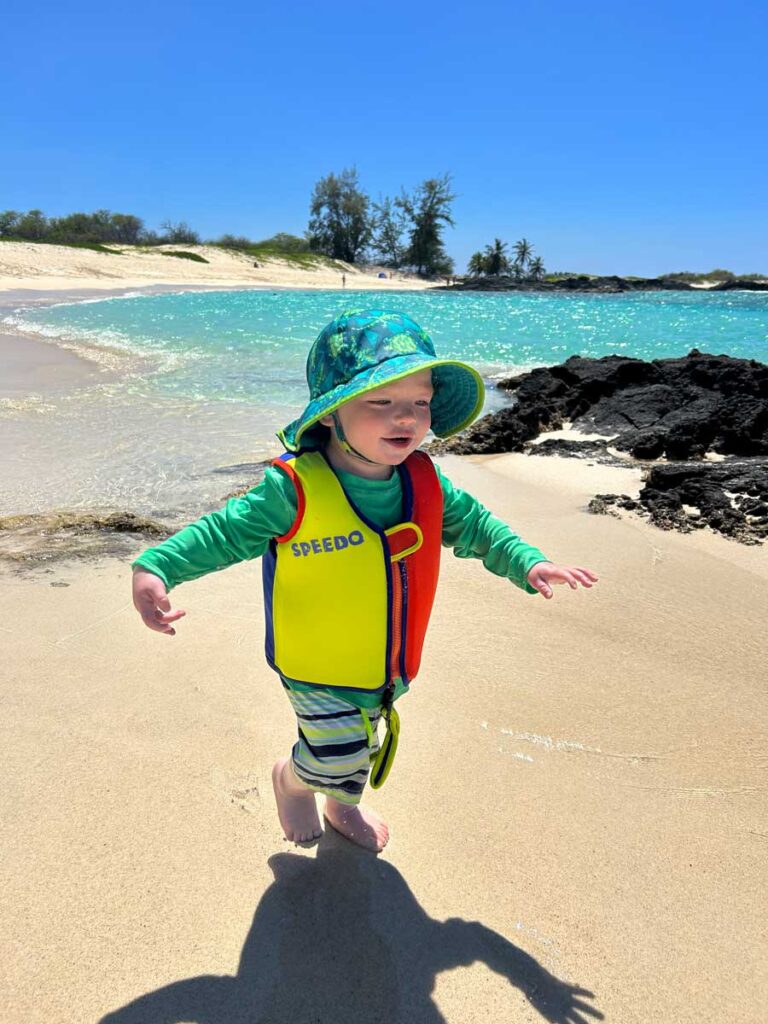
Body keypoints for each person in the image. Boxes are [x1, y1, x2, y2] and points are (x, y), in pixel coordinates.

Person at [132, 310, 597, 853]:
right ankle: (291, 778)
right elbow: (223, 533)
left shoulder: (424, 481)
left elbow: (476, 527)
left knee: (363, 745)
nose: (406, 418)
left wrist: (527, 562)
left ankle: (339, 801)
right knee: (337, 754)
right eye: (381, 402)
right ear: (330, 414)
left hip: (386, 663)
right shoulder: (292, 490)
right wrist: (157, 566)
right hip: (318, 666)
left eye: (419, 403)